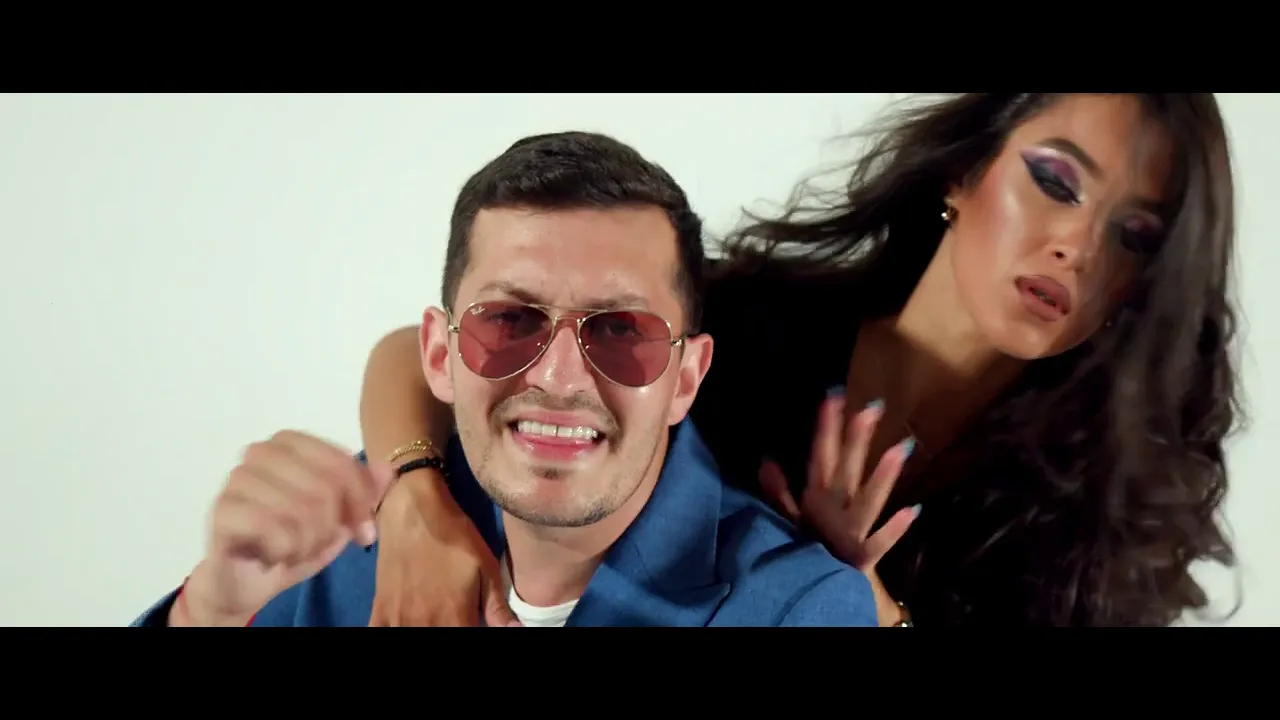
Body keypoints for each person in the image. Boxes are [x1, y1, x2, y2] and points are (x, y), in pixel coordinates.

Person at [363, 93, 1241, 627]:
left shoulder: (1107, 524)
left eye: (1134, 235)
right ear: (965, 171)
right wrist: (413, 501)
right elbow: (434, 355)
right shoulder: (754, 319)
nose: (1077, 249)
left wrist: (850, 599)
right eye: (1055, 182)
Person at [131, 131, 880, 628]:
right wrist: (211, 610)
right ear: (439, 354)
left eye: (621, 330)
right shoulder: (341, 533)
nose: (558, 375)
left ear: (686, 377)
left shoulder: (799, 607)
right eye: (511, 320)